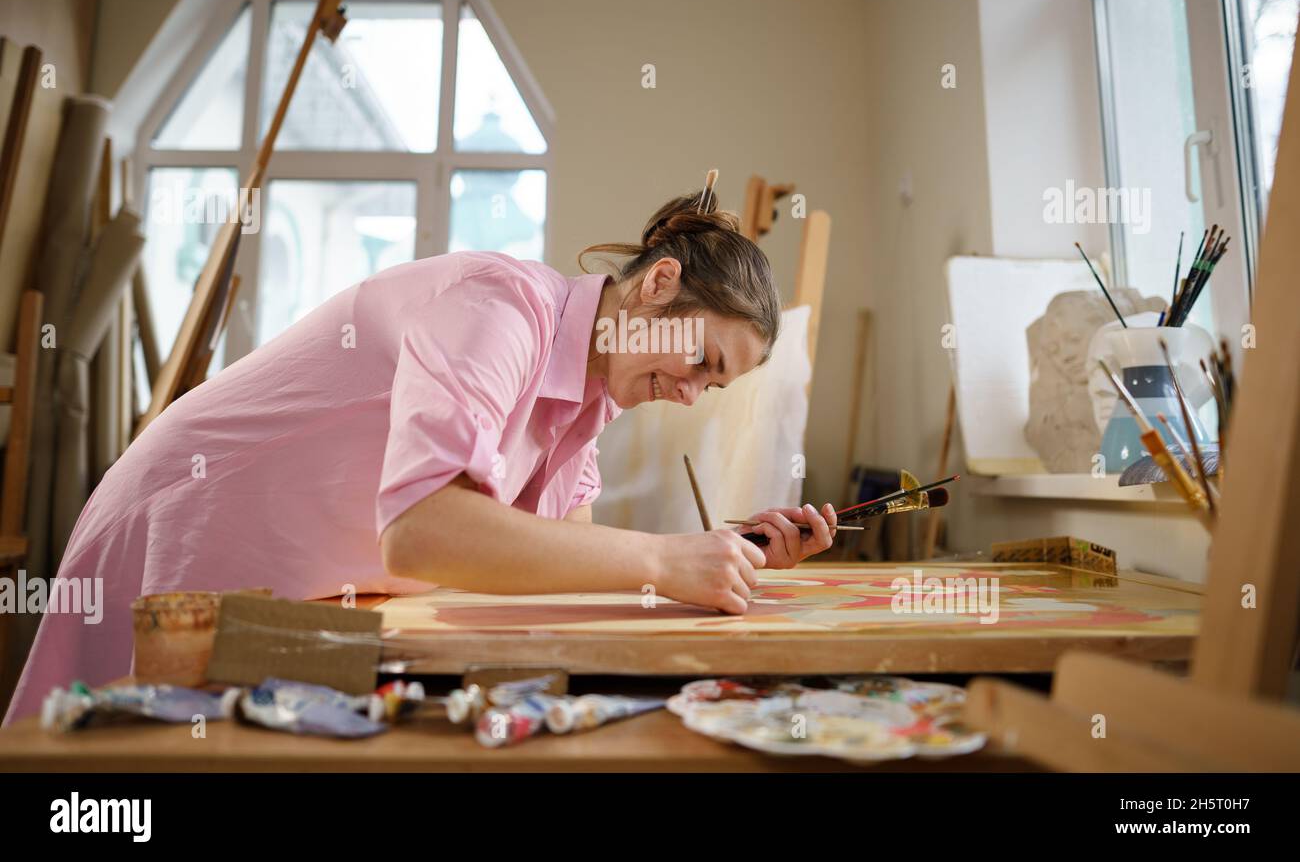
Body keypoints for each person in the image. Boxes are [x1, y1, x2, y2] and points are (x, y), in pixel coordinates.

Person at [3, 186, 836, 726]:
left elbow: (575, 569)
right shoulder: (503, 308)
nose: (692, 393)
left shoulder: (587, 408)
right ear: (658, 286)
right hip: (183, 518)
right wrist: (667, 557)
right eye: (703, 363)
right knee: (104, 797)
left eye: (714, 387)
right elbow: (421, 530)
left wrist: (734, 552)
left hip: (294, 587)